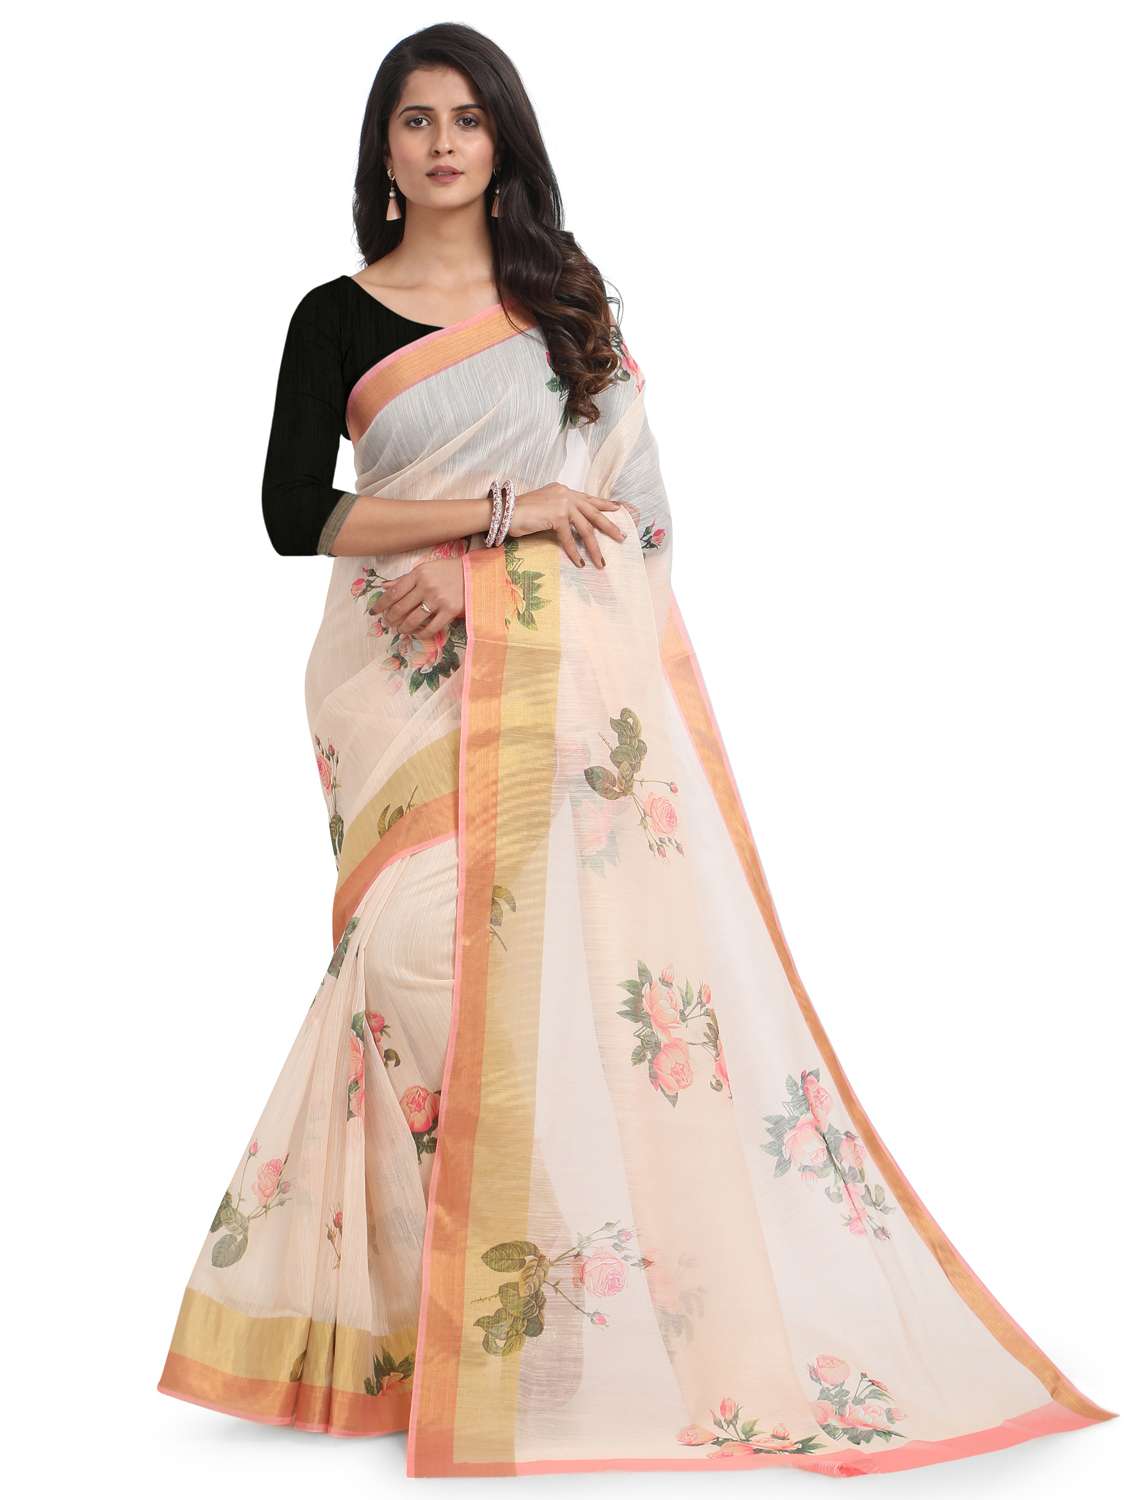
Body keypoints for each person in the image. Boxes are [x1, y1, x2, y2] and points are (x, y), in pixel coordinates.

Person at [155, 21, 1116, 1479]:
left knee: (517, 959)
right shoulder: (331, 316)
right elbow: (299, 516)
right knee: (408, 957)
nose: (442, 144)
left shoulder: (564, 301)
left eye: (467, 119)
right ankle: (481, 1297)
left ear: (502, 142)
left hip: (545, 675)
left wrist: (497, 563)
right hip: (390, 683)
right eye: (415, 120)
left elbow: (630, 518)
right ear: (383, 150)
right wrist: (490, 520)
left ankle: (516, 1312)